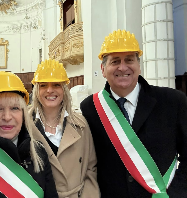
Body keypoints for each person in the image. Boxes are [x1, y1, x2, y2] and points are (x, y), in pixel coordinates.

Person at [80, 29, 187, 198]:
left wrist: (177, 194)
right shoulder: (90, 108)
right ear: (103, 69)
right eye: (115, 61)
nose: (123, 67)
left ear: (138, 65)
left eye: (129, 60)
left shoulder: (174, 101)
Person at [28, 59, 100, 198]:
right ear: (37, 90)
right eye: (43, 85)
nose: (50, 90)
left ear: (64, 89)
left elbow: (91, 168)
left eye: (56, 84)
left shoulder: (81, 124)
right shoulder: (24, 125)